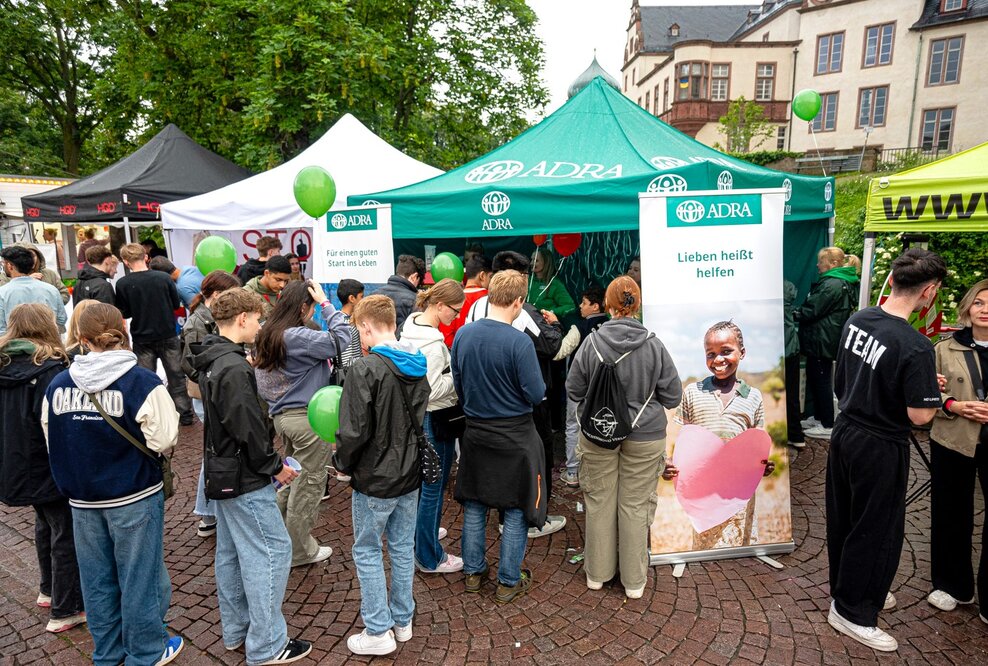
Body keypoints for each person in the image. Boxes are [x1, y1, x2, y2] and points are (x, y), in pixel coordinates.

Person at [41, 302, 184, 666]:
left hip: (82, 497)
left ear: (83, 339)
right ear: (122, 329)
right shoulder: (142, 382)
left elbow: (49, 433)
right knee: (140, 576)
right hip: (133, 492)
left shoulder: (58, 384)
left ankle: (107, 652)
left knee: (96, 578)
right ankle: (146, 651)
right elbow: (165, 438)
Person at [826, 248, 945, 652]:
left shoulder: (859, 319)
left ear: (891, 280)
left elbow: (846, 377)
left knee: (845, 517)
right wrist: (928, 393)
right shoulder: (916, 347)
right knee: (876, 529)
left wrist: (920, 384)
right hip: (880, 442)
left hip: (847, 431)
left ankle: (850, 589)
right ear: (929, 292)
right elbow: (919, 417)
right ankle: (853, 609)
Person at [191, 289, 311, 665]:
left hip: (221, 471)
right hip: (244, 475)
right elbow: (249, 428)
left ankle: (237, 632)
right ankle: (268, 645)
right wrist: (276, 467)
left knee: (230, 552)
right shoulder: (234, 367)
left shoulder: (212, 359)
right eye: (257, 318)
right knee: (273, 551)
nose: (260, 325)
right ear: (241, 318)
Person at [566, 277, 682, 598]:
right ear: (637, 304)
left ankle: (597, 575)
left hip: (598, 433)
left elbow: (574, 390)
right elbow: (672, 395)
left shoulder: (591, 343)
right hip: (645, 436)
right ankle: (633, 582)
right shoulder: (654, 345)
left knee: (600, 500)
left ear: (608, 305)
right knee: (634, 504)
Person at [333, 295, 429, 656]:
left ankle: (378, 629)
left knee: (368, 550)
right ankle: (402, 620)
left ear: (366, 326)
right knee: (403, 547)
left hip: (376, 476)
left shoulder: (365, 368)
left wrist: (342, 463)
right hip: (409, 472)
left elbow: (353, 431)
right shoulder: (416, 361)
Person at [453, 270, 547, 603]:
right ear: (519, 302)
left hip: (476, 432)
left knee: (476, 504)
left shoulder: (463, 335)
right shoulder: (519, 342)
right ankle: (508, 581)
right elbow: (536, 394)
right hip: (515, 436)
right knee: (516, 508)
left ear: (490, 295)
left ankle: (473, 573)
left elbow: (459, 386)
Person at [464, 251, 565, 537]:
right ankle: (537, 517)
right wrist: (555, 324)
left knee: (481, 485)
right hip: (518, 410)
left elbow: (459, 371)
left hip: (478, 411)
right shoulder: (523, 314)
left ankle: (490, 535)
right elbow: (549, 347)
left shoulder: (472, 312)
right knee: (533, 462)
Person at [0, 304, 85, 634]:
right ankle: (66, 609)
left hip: (16, 464)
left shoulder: (4, 364)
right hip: (47, 463)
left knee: (45, 524)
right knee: (65, 532)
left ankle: (48, 589)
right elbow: (57, 426)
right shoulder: (51, 369)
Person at [254, 281, 350, 567]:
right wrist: (326, 303)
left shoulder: (268, 333)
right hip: (305, 419)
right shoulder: (295, 336)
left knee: (291, 478)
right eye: (310, 307)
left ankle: (280, 538)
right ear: (302, 307)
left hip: (283, 417)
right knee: (309, 485)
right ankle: (299, 550)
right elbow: (342, 338)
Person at [665, 321, 773, 550]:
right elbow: (679, 436)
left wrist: (763, 464)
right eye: (711, 354)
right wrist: (668, 462)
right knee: (706, 551)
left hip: (739, 493)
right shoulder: (693, 393)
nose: (718, 360)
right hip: (703, 493)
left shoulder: (753, 397)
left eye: (726, 351)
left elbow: (757, 443)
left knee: (739, 552)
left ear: (742, 353)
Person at [927, 279, 988, 619]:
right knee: (951, 512)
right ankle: (952, 585)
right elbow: (923, 394)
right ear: (967, 308)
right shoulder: (942, 349)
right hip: (953, 440)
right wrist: (952, 404)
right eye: (979, 303)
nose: (985, 310)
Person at [400, 278, 466, 574]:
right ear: (439, 306)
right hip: (435, 417)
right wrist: (458, 377)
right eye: (454, 309)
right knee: (433, 487)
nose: (457, 315)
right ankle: (429, 556)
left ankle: (423, 533)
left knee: (427, 484)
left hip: (420, 417)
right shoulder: (433, 345)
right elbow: (432, 389)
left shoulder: (411, 326)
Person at [179, 270, 242, 538]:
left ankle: (210, 512)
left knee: (216, 449)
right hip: (208, 395)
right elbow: (190, 363)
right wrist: (214, 380)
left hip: (214, 392)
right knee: (214, 451)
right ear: (216, 295)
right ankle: (207, 512)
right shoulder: (196, 323)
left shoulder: (209, 317)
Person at [115, 243, 195, 425]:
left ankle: (149, 415)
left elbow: (125, 312)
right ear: (146, 257)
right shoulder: (163, 278)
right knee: (176, 376)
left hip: (142, 336)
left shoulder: (122, 283)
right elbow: (176, 305)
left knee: (145, 379)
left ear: (126, 262)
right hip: (167, 332)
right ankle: (184, 415)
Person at [796, 247, 860, 441]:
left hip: (822, 339)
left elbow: (812, 310)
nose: (817, 265)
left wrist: (792, 314)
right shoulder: (842, 281)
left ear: (832, 264)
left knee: (821, 380)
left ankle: (827, 424)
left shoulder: (832, 284)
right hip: (825, 338)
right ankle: (819, 417)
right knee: (817, 379)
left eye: (820, 261)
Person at [554, 285, 609, 487]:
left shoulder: (579, 327)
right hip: (604, 387)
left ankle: (572, 472)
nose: (580, 306)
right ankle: (598, 472)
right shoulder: (613, 326)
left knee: (573, 426)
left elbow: (560, 352)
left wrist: (554, 328)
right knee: (601, 424)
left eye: (584, 303)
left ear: (595, 306)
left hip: (579, 386)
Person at [0, 246, 67, 335]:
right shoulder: (51, 290)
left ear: (10, 266)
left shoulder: (3, 293)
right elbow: (61, 319)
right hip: (48, 344)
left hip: (16, 344)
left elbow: (2, 328)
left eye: (3, 263)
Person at [440, 255, 490, 348]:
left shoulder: (451, 298)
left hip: (457, 353)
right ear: (482, 275)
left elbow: (446, 337)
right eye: (490, 277)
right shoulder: (490, 298)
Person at [376, 254, 426, 333]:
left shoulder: (373, 295)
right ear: (414, 276)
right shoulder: (415, 300)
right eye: (419, 282)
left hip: (375, 344)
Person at [784, 280, 805, 449]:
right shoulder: (788, 287)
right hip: (790, 348)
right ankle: (795, 434)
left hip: (777, 350)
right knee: (791, 394)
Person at [528, 247, 575, 320]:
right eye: (531, 259)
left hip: (544, 325)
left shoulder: (555, 284)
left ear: (546, 263)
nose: (531, 263)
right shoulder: (527, 280)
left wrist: (551, 312)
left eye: (536, 260)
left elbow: (570, 306)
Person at [244, 255, 292, 320]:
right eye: (278, 279)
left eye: (285, 281)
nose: (282, 285)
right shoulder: (246, 294)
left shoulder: (283, 294)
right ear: (267, 273)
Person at [338, 278, 365, 369]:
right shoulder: (344, 324)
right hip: (350, 377)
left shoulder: (347, 320)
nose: (363, 300)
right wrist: (369, 361)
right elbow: (347, 362)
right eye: (361, 297)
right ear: (352, 298)